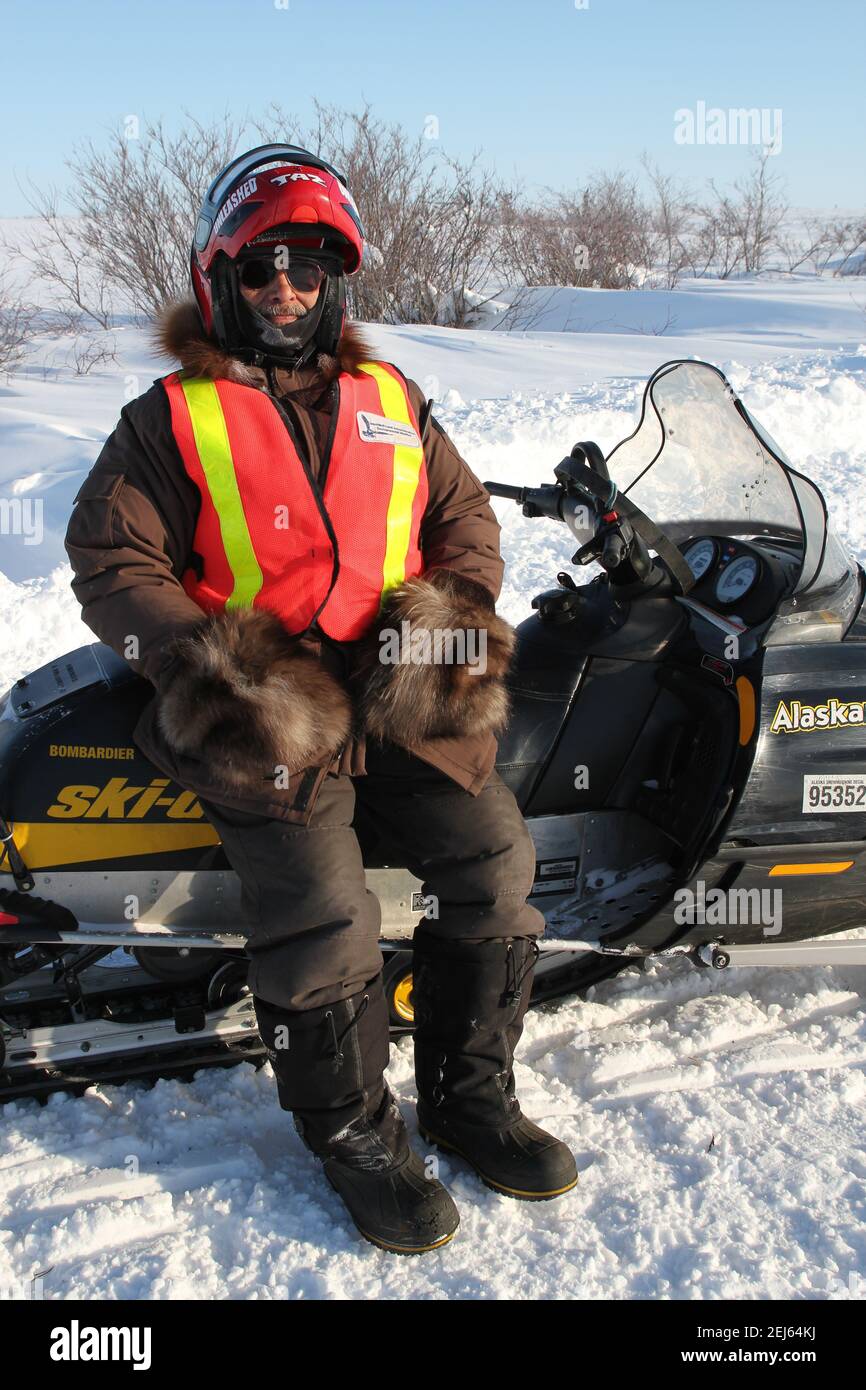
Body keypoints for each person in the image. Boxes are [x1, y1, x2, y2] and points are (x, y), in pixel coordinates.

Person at [64, 144, 577, 1254]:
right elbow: (112, 557)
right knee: (323, 909)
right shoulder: (171, 417)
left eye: (306, 265)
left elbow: (466, 523)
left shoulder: (389, 398)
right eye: (261, 269)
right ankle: (351, 1131)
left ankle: (469, 1095)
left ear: (334, 279)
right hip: (265, 708)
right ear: (221, 279)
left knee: (494, 857)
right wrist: (204, 664)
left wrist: (448, 620)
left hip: (392, 685)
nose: (285, 288)